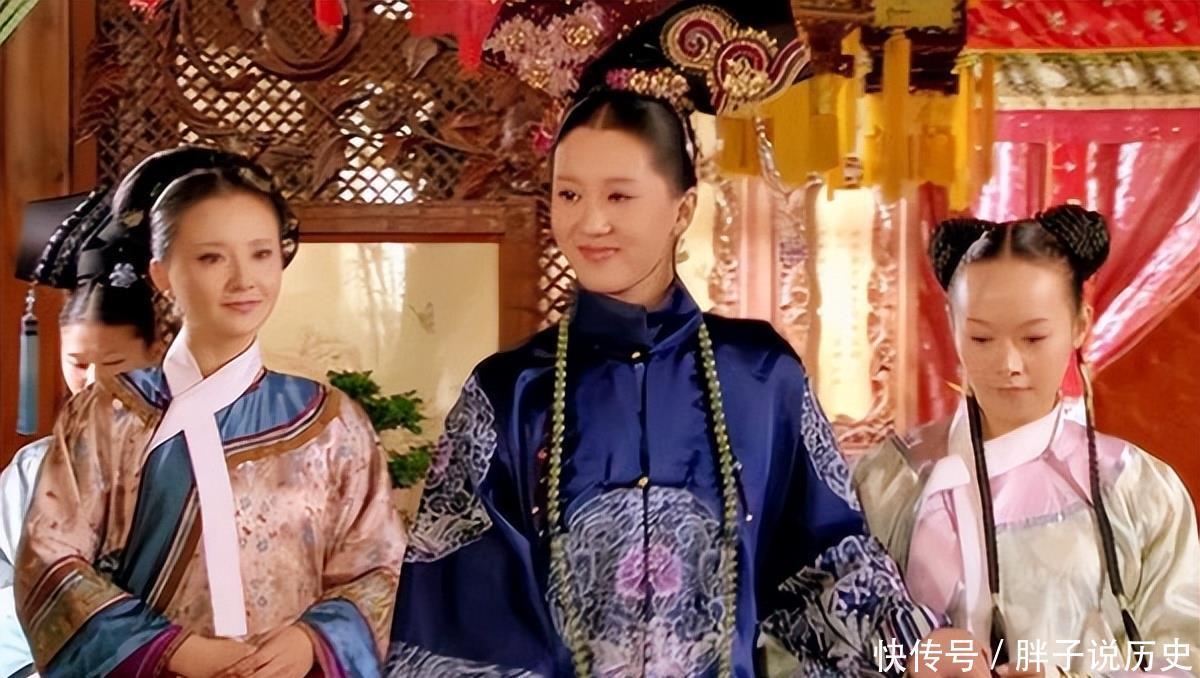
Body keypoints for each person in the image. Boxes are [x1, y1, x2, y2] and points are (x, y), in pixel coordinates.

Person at [387, 86, 950, 677]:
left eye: (619, 195)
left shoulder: (760, 376)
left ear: (683, 210)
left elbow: (827, 565)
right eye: (569, 194)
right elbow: (457, 615)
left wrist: (922, 655)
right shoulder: (508, 392)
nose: (590, 221)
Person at [15, 147, 406, 677]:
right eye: (211, 258)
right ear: (161, 274)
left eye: (261, 254)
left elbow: (382, 569)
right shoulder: (107, 415)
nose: (244, 280)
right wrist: (171, 649)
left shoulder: (331, 422)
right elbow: (50, 560)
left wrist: (312, 639)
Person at [854, 206, 1200, 675]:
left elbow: (1185, 654)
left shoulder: (1136, 490)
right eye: (982, 339)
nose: (1009, 365)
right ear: (953, 326)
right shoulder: (887, 482)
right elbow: (815, 642)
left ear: (1079, 325)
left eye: (1033, 338)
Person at [1, 187, 175, 678]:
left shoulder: (198, 452)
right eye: (78, 364)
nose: (96, 382)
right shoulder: (33, 469)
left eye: (115, 362)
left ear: (157, 352)